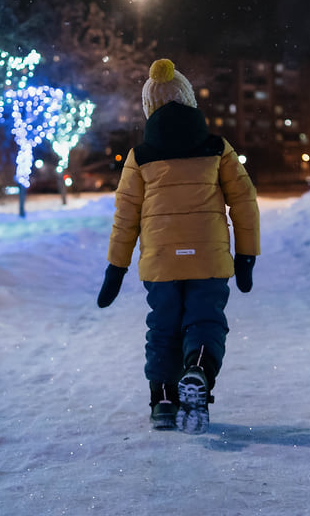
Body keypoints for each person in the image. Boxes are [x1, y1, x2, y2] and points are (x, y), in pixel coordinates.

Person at [96, 58, 260, 434]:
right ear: (189, 101)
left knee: (164, 328)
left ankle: (165, 401)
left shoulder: (140, 157)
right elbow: (244, 200)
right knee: (205, 321)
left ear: (148, 108)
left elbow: (126, 217)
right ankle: (198, 370)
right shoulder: (218, 148)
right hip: (209, 259)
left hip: (161, 262)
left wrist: (116, 268)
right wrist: (246, 255)